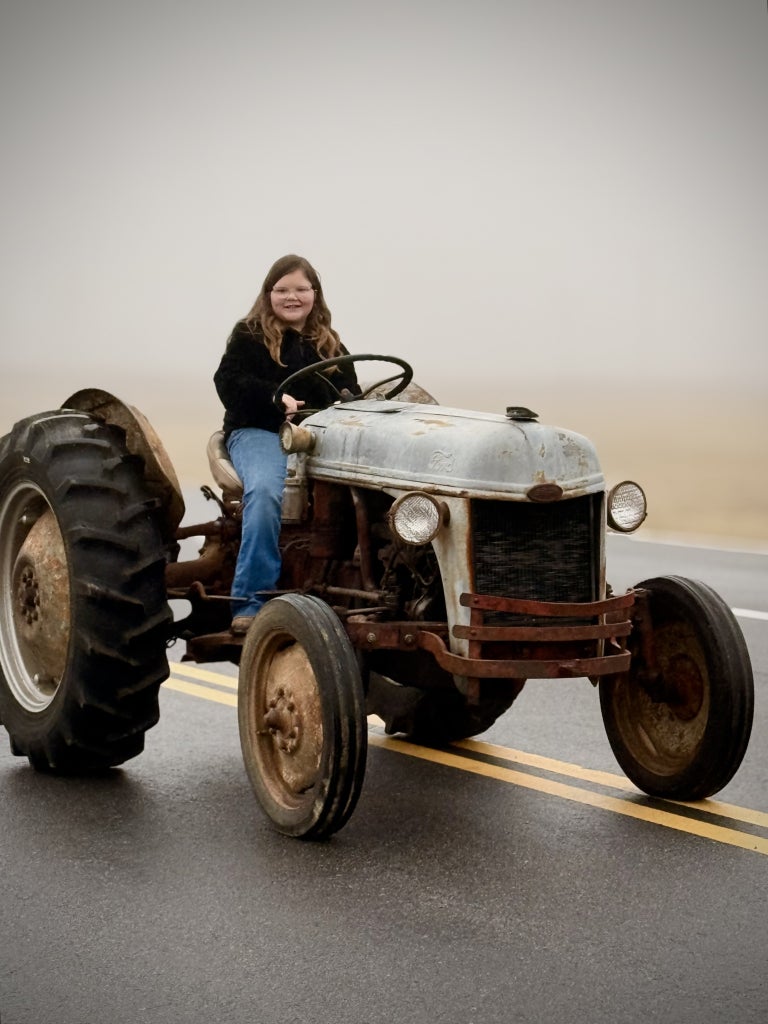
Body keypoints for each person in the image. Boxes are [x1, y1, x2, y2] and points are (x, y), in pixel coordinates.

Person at [214, 254, 360, 634]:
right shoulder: (249, 335)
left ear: (315, 294)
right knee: (265, 493)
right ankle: (251, 598)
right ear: (269, 294)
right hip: (259, 432)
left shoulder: (330, 343)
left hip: (317, 439)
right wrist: (273, 399)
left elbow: (351, 392)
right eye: (282, 290)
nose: (291, 297)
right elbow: (228, 382)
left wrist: (349, 401)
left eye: (300, 289)